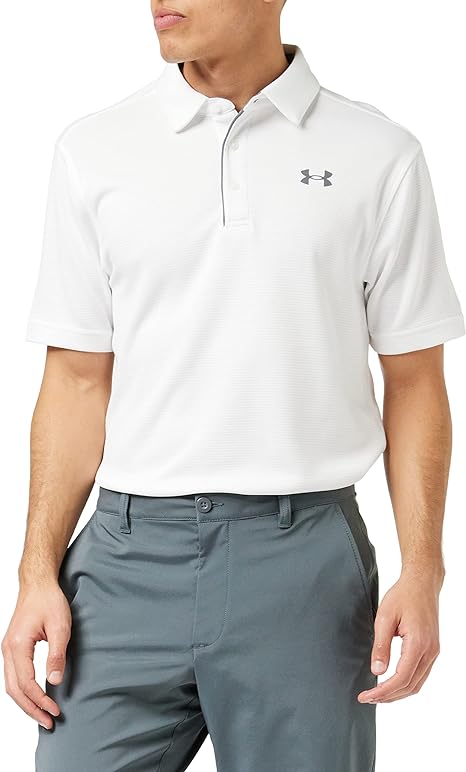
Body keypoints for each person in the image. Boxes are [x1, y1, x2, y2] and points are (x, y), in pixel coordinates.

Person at [2, 1, 464, 770]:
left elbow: (415, 381)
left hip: (303, 566)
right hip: (122, 562)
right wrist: (34, 573)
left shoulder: (379, 155)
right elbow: (77, 382)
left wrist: (424, 570)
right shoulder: (94, 150)